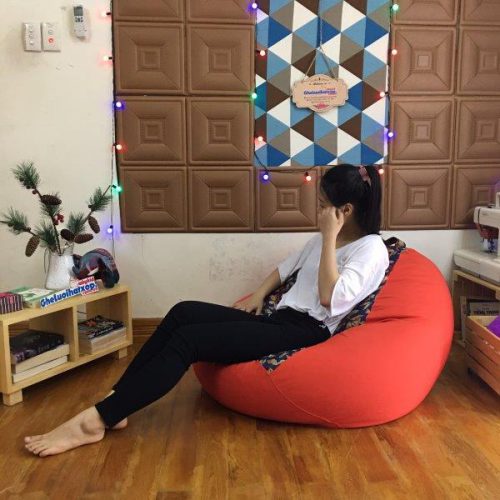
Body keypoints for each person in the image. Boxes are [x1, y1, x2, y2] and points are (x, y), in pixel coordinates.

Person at [24, 164, 389, 457]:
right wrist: (259, 294)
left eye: (323, 205)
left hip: (306, 331)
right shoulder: (322, 240)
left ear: (345, 211)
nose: (318, 211)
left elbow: (328, 298)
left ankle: (94, 422)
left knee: (190, 341)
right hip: (279, 318)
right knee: (183, 311)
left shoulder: (371, 250)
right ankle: (119, 400)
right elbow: (286, 268)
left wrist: (329, 238)